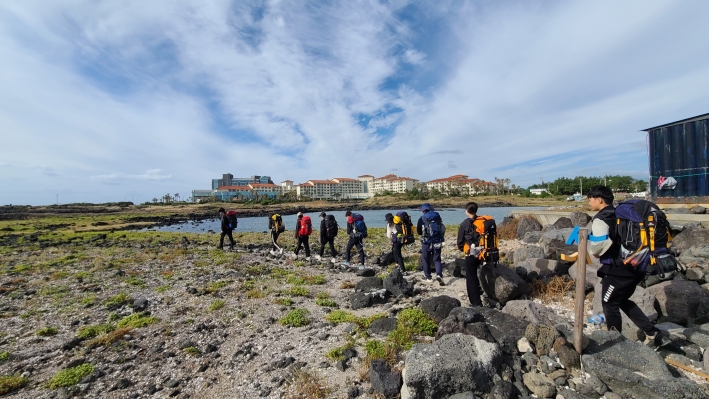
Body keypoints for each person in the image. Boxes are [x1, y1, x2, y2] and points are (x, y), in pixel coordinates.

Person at [587, 185, 671, 347]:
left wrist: (595, 252)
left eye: (590, 198)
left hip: (618, 270)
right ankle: (652, 333)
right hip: (637, 264)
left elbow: (599, 246)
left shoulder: (601, 218)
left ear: (599, 200)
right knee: (623, 300)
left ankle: (615, 343)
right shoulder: (620, 213)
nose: (589, 202)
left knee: (609, 304)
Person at [456, 203, 484, 307]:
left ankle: (476, 303)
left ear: (467, 211)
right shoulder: (483, 220)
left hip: (472, 252)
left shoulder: (465, 223)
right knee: (480, 273)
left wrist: (461, 248)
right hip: (485, 251)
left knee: (471, 278)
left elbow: (460, 240)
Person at [416, 203, 444, 284]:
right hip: (437, 240)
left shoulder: (422, 219)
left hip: (426, 242)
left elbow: (419, 231)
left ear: (423, 210)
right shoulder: (437, 217)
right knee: (437, 259)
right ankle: (439, 275)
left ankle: (428, 277)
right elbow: (441, 228)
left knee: (426, 259)